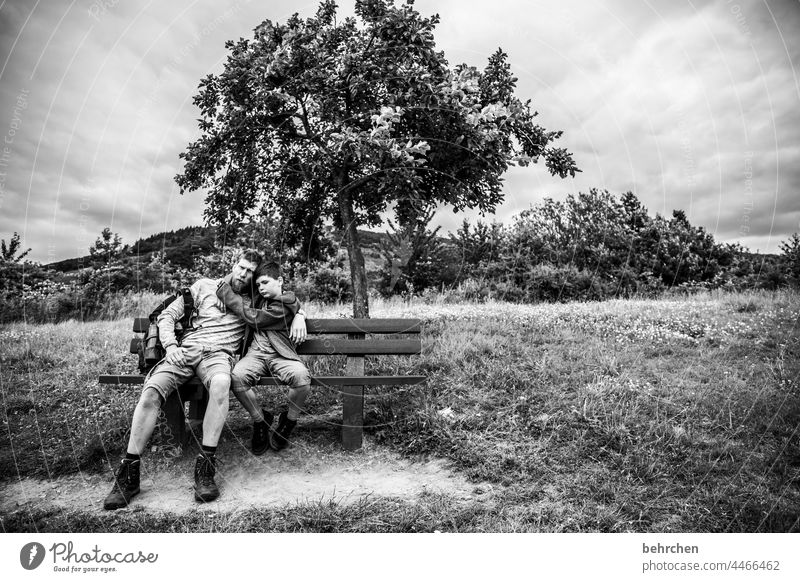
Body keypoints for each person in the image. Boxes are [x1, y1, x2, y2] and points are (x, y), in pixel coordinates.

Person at [103, 250, 306, 509]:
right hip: (186, 350)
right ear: (234, 265)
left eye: (250, 272)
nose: (243, 275)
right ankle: (128, 474)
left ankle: (205, 467)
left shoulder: (252, 299)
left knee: (222, 383)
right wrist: (172, 346)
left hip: (219, 356)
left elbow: (284, 298)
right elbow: (167, 315)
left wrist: (299, 314)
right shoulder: (204, 286)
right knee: (151, 392)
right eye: (241, 268)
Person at [216, 261, 311, 453]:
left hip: (281, 355)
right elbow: (239, 279)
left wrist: (225, 294)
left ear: (280, 281)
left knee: (302, 378)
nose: (261, 288)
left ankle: (289, 421)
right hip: (255, 355)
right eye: (258, 284)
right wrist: (223, 282)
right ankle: (260, 420)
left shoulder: (286, 304)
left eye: (265, 282)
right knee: (236, 377)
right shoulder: (259, 297)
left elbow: (255, 318)